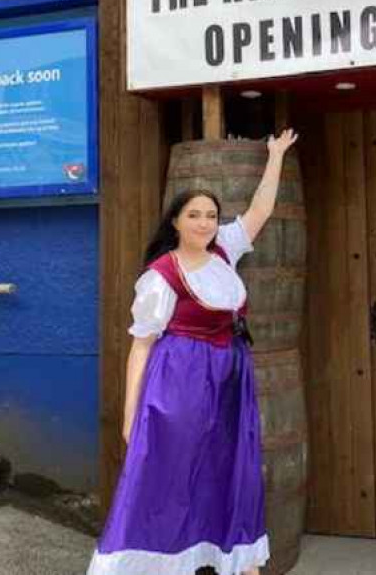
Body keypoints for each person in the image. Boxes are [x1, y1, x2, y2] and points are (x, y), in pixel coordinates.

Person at [88, 129, 299, 575]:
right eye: (194, 215)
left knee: (232, 469)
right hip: (180, 378)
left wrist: (275, 155)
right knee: (172, 475)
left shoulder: (225, 248)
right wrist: (131, 414)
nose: (204, 223)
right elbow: (141, 345)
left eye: (210, 215)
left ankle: (239, 561)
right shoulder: (162, 275)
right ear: (176, 222)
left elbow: (261, 208)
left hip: (229, 378)